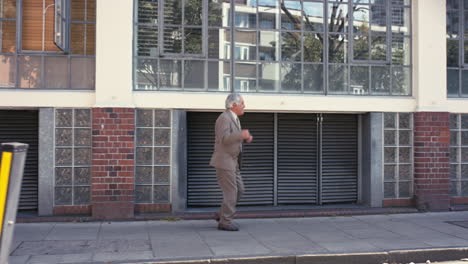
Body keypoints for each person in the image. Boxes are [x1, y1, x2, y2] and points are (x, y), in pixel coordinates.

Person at [210, 93, 253, 231]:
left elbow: (231, 139)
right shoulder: (224, 118)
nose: (244, 106)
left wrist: (243, 138)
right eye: (242, 103)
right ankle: (225, 222)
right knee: (231, 192)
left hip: (233, 161)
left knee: (240, 190)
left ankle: (223, 214)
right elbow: (224, 138)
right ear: (234, 105)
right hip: (224, 161)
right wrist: (241, 134)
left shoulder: (233, 118)